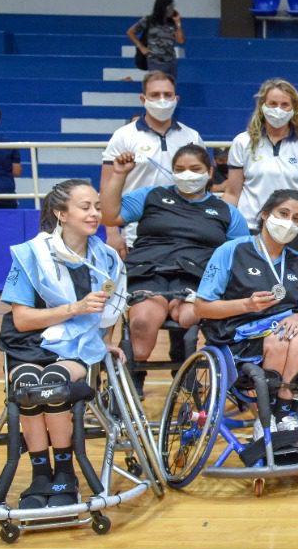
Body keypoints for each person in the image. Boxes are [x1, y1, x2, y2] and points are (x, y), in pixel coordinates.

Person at [0, 180, 125, 508]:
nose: (95, 213)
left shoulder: (106, 258)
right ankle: (40, 474)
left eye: (97, 206)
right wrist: (75, 308)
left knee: (53, 383)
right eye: (86, 207)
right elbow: (23, 320)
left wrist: (104, 343)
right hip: (28, 343)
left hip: (76, 350)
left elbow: (111, 312)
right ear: (61, 214)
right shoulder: (30, 255)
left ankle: (66, 471)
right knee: (28, 384)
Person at [100, 144, 248, 392]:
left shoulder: (226, 212)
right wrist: (119, 175)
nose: (187, 174)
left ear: (210, 172)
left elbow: (240, 255)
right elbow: (109, 216)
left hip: (197, 277)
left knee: (189, 316)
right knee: (143, 323)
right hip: (150, 271)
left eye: (195, 169)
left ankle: (186, 366)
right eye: (180, 169)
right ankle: (134, 372)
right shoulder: (152, 196)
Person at [194, 189, 298, 433]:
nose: (289, 223)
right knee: (284, 338)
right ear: (264, 215)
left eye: (296, 219)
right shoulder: (232, 251)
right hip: (236, 337)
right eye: (283, 214)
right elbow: (201, 307)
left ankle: (283, 410)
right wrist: (246, 305)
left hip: (286, 337)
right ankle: (268, 415)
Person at [100, 71, 204, 255]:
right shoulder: (123, 136)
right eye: (155, 95)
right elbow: (107, 186)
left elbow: (202, 188)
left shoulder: (192, 136)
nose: (162, 100)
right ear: (143, 99)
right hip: (137, 236)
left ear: (176, 98)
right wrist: (112, 233)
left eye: (167, 95)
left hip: (185, 234)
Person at [223, 78, 298, 235]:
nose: (278, 110)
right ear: (262, 106)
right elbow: (232, 193)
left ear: (294, 109)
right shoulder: (242, 142)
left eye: (284, 105)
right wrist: (223, 225)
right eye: (273, 104)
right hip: (249, 227)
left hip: (292, 230)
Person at [126, 0, 183, 80]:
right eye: (170, 7)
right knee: (157, 84)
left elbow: (180, 40)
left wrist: (178, 23)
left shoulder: (172, 23)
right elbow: (130, 32)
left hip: (171, 61)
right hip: (155, 60)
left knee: (170, 86)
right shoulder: (148, 20)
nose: (172, 9)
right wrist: (141, 47)